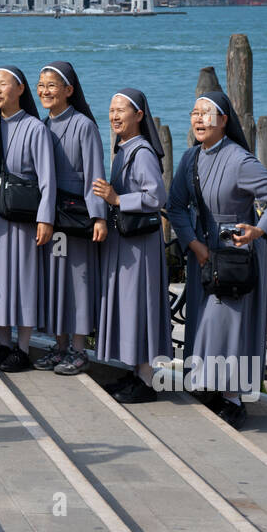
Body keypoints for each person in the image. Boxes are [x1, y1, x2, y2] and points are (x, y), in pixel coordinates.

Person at [164, 90, 267, 428]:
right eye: (194, 113)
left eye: (207, 113)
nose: (199, 119)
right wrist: (193, 243)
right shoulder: (190, 158)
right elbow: (175, 205)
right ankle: (208, 383)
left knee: (230, 323)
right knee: (203, 320)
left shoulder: (239, 159)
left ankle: (234, 397)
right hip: (201, 251)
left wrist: (259, 230)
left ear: (223, 120)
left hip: (235, 254)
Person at [93, 88, 171, 403]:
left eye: (121, 110)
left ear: (139, 115)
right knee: (130, 306)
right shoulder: (125, 148)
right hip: (128, 242)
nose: (114, 115)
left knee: (141, 306)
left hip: (141, 247)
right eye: (111, 109)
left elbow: (156, 197)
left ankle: (147, 380)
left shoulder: (142, 152)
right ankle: (135, 372)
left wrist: (116, 199)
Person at [0, 66, 56, 371]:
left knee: (23, 279)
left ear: (21, 89)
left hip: (24, 215)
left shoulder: (35, 128)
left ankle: (23, 348)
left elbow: (47, 178)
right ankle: (3, 344)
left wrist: (45, 218)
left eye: (3, 84)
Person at [35, 62, 107, 375]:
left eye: (52, 85)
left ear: (69, 90)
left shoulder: (84, 126)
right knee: (56, 281)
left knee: (77, 282)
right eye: (41, 85)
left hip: (78, 220)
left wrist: (99, 218)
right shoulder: (43, 125)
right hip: (53, 218)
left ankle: (79, 350)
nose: (45, 91)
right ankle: (59, 345)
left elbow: (94, 175)